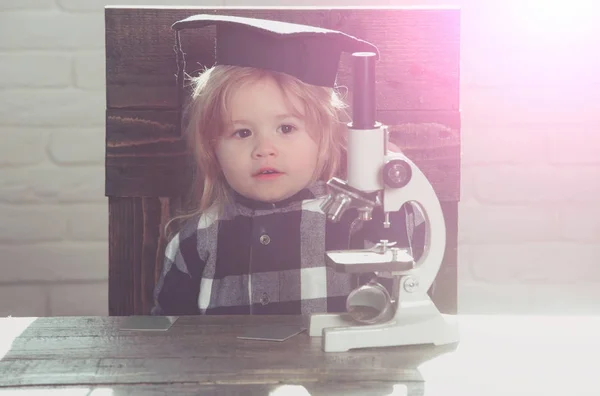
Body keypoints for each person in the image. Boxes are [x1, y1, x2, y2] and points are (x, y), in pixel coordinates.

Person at [151, 14, 425, 316]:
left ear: (326, 136)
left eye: (286, 129)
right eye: (242, 132)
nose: (264, 150)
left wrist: (390, 185)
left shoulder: (358, 220)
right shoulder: (196, 242)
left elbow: (406, 277)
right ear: (212, 148)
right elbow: (169, 341)